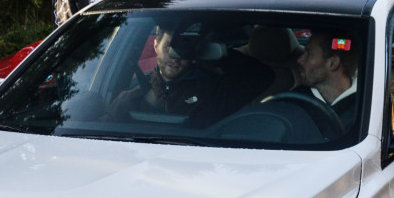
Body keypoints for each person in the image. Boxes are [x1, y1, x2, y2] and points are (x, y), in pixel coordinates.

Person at [108, 26, 272, 128]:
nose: (175, 57)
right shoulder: (131, 100)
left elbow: (262, 76)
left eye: (182, 50)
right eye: (169, 47)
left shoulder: (212, 92)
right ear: (156, 46)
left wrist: (217, 53)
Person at [293, 31, 361, 131]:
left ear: (333, 63)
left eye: (309, 53)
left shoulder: (367, 105)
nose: (299, 60)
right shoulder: (294, 101)